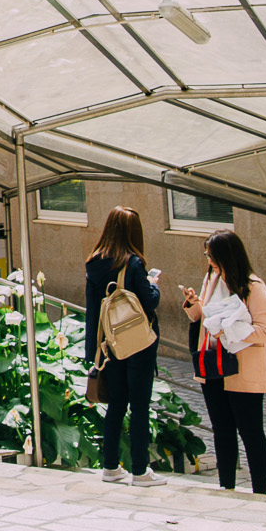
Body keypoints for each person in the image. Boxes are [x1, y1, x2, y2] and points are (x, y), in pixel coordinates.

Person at [182, 228, 266, 495]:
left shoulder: (253, 286)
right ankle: (226, 488)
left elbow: (264, 331)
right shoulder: (210, 278)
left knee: (251, 432)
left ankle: (259, 492)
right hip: (212, 365)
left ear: (226, 255)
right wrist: (192, 304)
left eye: (211, 255)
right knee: (222, 432)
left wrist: (228, 331)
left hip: (242, 367)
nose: (208, 259)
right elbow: (202, 318)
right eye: (207, 254)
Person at [85, 206, 164, 486]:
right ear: (134, 233)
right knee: (139, 406)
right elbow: (149, 301)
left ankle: (109, 466)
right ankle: (140, 471)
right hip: (137, 345)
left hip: (109, 346)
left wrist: (92, 352)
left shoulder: (94, 262)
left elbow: (93, 309)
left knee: (116, 404)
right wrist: (152, 284)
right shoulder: (133, 264)